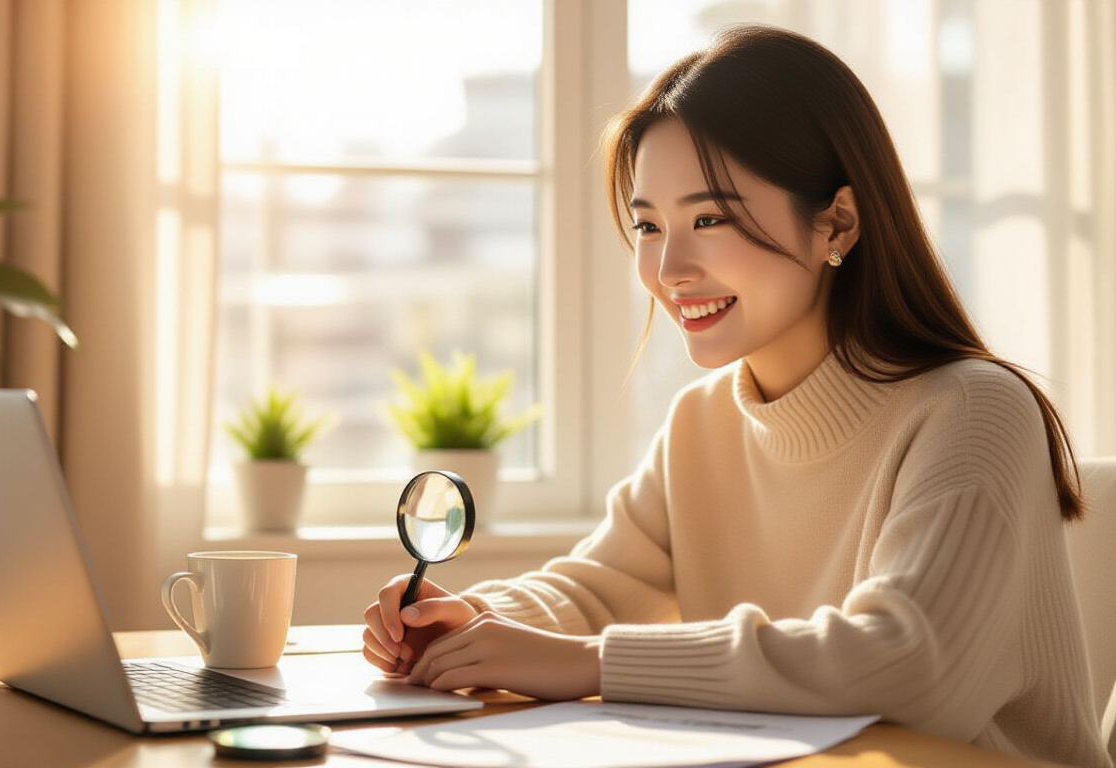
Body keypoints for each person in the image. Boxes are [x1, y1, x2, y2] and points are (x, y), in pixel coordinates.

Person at [360, 24, 1111, 768]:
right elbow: (599, 589)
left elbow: (910, 666)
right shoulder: (703, 421)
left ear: (837, 223)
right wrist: (472, 620)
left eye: (709, 219)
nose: (669, 269)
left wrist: (591, 663)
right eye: (649, 225)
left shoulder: (971, 411)